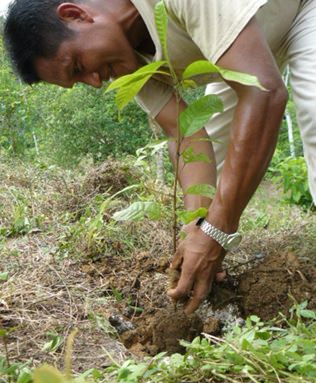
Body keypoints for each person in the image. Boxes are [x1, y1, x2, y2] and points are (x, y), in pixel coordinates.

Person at [4, 0, 315, 314]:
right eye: (79, 81)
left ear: (75, 14)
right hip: (247, 44)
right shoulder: (127, 62)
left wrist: (217, 229)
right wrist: (197, 226)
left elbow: (264, 92)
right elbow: (184, 134)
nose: (95, 82)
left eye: (78, 67)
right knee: (217, 185)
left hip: (301, 10)